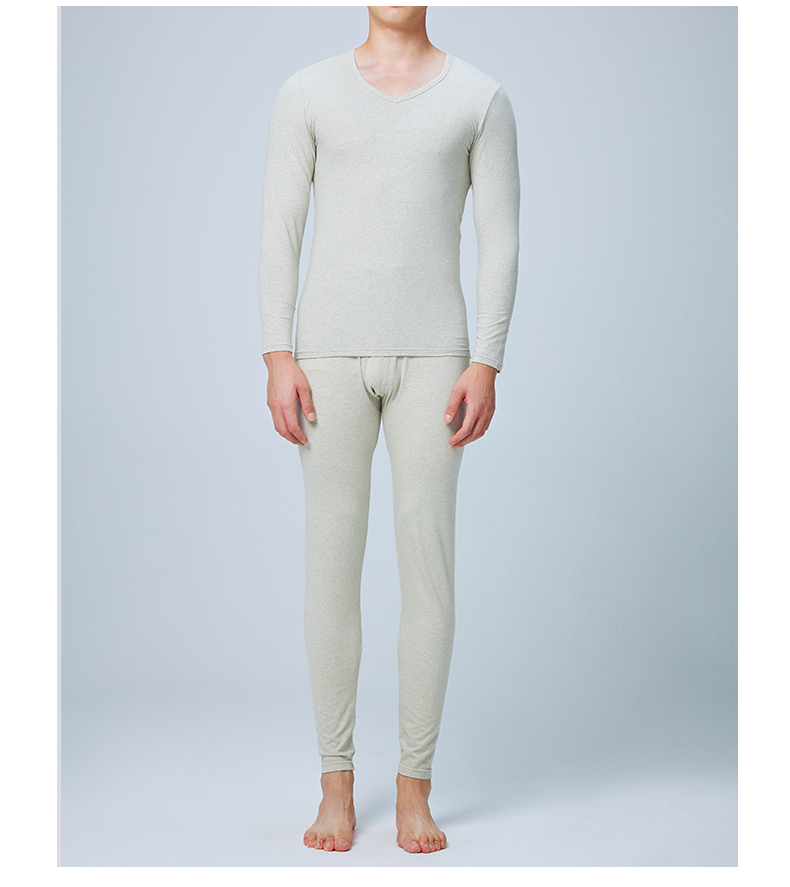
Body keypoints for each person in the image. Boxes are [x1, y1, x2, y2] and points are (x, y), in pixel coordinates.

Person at [258, 5, 519, 854]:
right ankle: (335, 781)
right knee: (330, 569)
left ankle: (414, 785)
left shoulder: (480, 98)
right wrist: (277, 353)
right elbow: (280, 225)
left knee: (427, 573)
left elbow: (501, 238)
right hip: (326, 357)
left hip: (436, 359)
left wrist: (486, 360)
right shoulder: (306, 92)